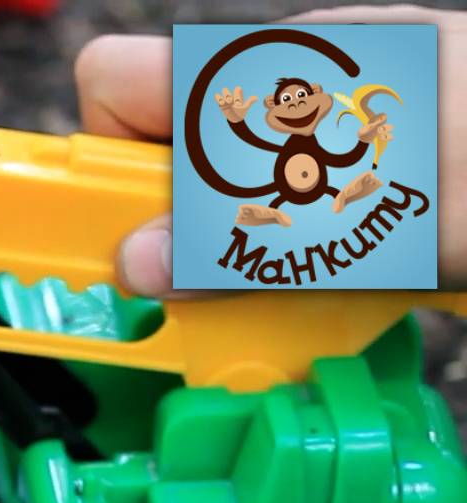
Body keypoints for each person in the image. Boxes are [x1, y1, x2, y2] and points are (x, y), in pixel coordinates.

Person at [75, 5, 464, 294]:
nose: (295, 105)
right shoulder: (278, 144)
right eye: (286, 101)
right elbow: (254, 140)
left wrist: (367, 137)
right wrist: (234, 118)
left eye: (301, 97)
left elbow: (343, 158)